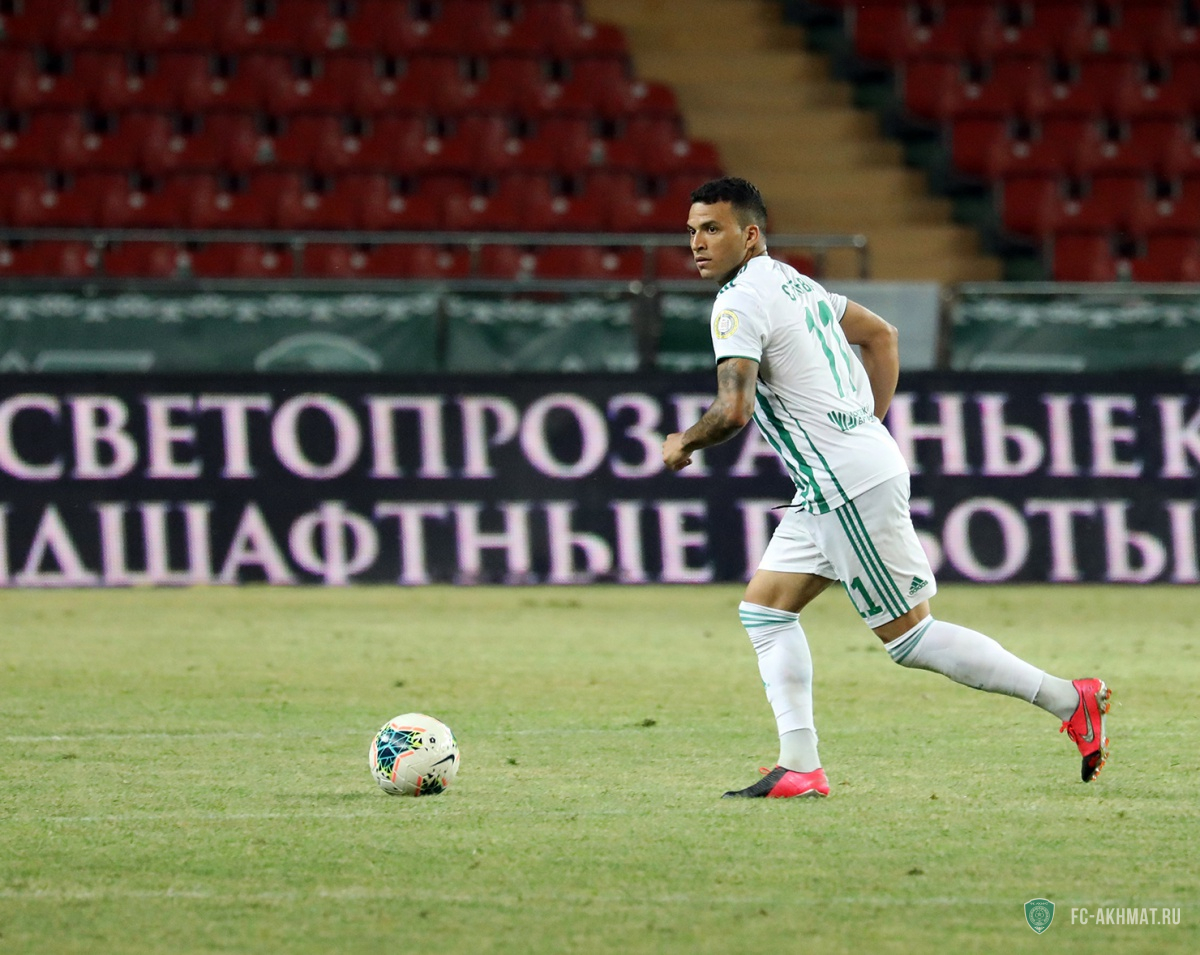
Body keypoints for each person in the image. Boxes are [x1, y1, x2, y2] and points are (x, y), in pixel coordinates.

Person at [662, 176, 1111, 798]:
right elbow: (882, 336)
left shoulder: (736, 303)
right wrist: (864, 426)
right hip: (835, 479)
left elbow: (733, 411)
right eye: (692, 231)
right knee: (765, 612)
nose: (698, 243)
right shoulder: (795, 282)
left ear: (750, 234)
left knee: (911, 638)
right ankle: (800, 766)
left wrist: (683, 442)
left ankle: (1068, 698)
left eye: (712, 229)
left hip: (842, 482)